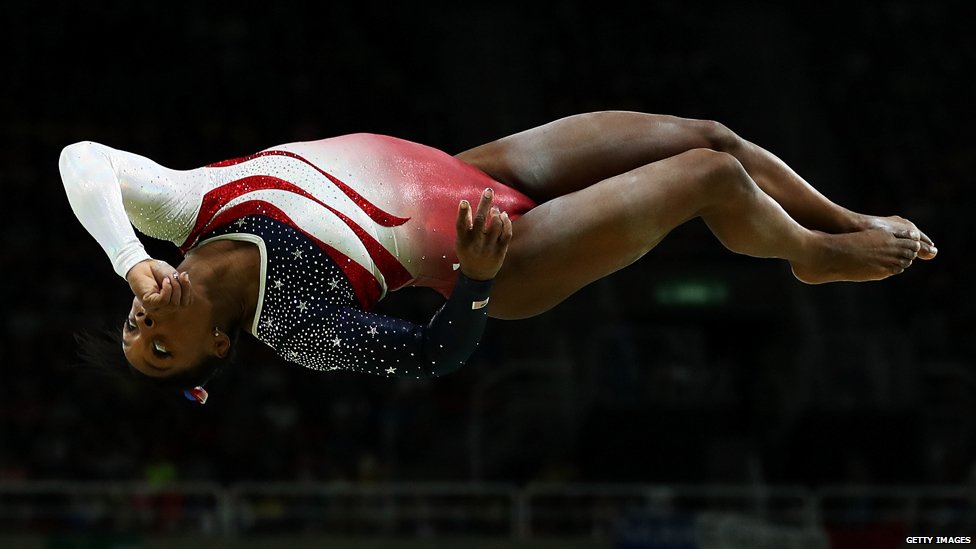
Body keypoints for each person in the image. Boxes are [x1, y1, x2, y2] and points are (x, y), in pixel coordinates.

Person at [60, 111, 936, 403]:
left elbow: (82, 160)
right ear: (217, 343)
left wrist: (125, 258)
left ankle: (843, 214)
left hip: (465, 172)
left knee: (710, 132)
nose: (143, 323)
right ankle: (814, 252)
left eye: (133, 328)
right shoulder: (292, 324)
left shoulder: (186, 208)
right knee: (707, 174)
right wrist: (478, 280)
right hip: (499, 258)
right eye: (158, 350)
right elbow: (433, 353)